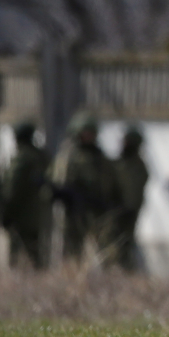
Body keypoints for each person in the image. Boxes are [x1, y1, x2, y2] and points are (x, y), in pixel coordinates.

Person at [53, 113, 118, 263]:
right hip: (74, 210)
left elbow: (110, 184)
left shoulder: (101, 158)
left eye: (90, 133)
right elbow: (59, 180)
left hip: (97, 209)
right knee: (72, 250)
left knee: (105, 247)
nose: (88, 137)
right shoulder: (69, 157)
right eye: (85, 133)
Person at [0, 120, 51, 269]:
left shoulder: (23, 158)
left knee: (15, 259)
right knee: (37, 257)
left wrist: (6, 211)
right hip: (38, 214)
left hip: (21, 215)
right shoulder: (41, 156)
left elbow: (13, 188)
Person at [110, 123, 149, 271]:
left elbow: (134, 192)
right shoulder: (118, 163)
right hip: (113, 210)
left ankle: (124, 268)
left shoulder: (137, 167)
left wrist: (127, 207)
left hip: (127, 212)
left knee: (124, 242)